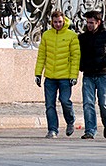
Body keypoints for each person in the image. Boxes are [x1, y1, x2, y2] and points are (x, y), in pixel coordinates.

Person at [34, 9, 80, 138]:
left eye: (60, 22)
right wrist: (38, 73)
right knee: (49, 105)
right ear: (52, 22)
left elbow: (75, 58)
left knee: (65, 101)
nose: (58, 24)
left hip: (65, 77)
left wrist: (73, 76)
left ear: (64, 21)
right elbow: (41, 56)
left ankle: (70, 121)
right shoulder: (47, 35)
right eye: (55, 22)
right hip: (50, 77)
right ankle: (52, 130)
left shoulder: (72, 36)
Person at [78, 9, 106, 139]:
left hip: (103, 74)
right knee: (88, 103)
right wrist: (82, 66)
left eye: (92, 23)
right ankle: (90, 131)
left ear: (98, 22)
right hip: (88, 74)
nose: (89, 25)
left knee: (104, 103)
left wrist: (105, 62)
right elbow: (78, 55)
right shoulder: (83, 37)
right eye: (88, 22)